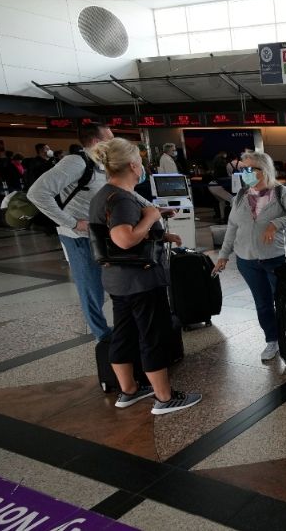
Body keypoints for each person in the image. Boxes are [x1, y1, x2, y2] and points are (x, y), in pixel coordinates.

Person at [87, 137, 201, 415]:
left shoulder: (104, 194)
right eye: (140, 162)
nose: (142, 167)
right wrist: (151, 218)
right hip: (140, 280)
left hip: (118, 280)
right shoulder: (122, 198)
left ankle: (129, 390)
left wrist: (158, 228)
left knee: (124, 334)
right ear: (133, 166)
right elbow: (124, 239)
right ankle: (164, 397)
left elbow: (115, 238)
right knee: (152, 336)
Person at [27, 123, 117, 345]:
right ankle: (103, 337)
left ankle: (117, 331)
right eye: (110, 137)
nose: (114, 141)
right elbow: (37, 193)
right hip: (80, 239)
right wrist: (72, 223)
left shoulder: (102, 163)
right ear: (97, 142)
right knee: (91, 289)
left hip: (104, 234)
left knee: (116, 283)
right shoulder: (76, 162)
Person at [213, 151, 286, 362]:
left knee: (285, 300)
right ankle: (272, 339)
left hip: (278, 257)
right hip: (247, 260)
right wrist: (223, 255)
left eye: (248, 169)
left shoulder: (283, 193)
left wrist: (276, 223)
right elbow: (232, 227)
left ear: (263, 170)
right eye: (241, 169)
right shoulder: (240, 196)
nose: (243, 174)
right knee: (262, 303)